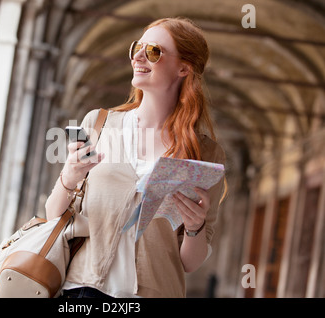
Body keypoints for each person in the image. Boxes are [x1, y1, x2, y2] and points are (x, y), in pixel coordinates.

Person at [45, 17, 226, 298]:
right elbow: (53, 216)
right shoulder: (99, 124)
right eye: (136, 48)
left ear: (183, 68)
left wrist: (195, 227)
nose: (138, 57)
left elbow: (190, 263)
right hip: (85, 291)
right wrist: (69, 177)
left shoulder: (206, 155)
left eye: (153, 51)